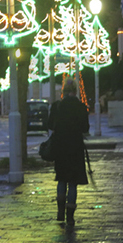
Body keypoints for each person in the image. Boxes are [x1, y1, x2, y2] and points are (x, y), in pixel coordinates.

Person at [50, 77, 89, 226]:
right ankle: (70, 215)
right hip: (76, 148)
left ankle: (60, 211)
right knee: (73, 182)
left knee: (61, 179)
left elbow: (50, 124)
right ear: (75, 91)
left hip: (60, 148)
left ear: (63, 91)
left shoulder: (57, 106)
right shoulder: (81, 107)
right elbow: (85, 128)